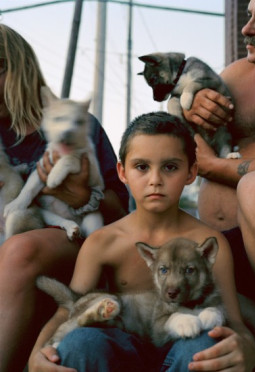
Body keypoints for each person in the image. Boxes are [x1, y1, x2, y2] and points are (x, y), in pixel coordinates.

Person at [29, 111, 255, 372]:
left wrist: (248, 348)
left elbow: (233, 319)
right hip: (121, 349)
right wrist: (37, 354)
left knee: (208, 343)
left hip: (183, 352)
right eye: (142, 167)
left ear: (191, 172)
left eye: (170, 167)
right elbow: (68, 308)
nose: (155, 180)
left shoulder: (205, 243)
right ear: (122, 172)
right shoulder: (104, 241)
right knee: (80, 343)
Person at [0, 24, 129, 371]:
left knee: (18, 249)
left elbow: (123, 215)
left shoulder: (73, 122)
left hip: (74, 238)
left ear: (18, 69)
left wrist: (81, 195)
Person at [183, 0, 255, 369]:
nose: (246, 29)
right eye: (248, 15)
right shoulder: (234, 74)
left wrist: (214, 166)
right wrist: (190, 104)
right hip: (220, 244)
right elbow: (182, 137)